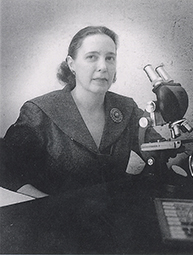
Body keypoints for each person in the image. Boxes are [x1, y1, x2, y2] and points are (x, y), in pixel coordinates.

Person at [1, 26, 161, 197]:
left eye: (110, 58)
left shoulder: (127, 109)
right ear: (72, 64)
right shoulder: (39, 112)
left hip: (112, 218)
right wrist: (46, 203)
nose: (103, 66)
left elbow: (159, 151)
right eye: (92, 57)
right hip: (56, 219)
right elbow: (5, 169)